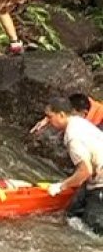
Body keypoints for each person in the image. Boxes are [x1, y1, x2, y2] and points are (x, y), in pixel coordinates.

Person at [45, 97, 103, 235]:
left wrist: (61, 186)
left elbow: (85, 171)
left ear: (62, 115)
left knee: (92, 228)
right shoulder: (78, 121)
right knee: (72, 215)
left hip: (99, 182)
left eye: (50, 117)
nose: (48, 121)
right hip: (95, 177)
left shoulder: (73, 136)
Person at [31, 93, 103, 134]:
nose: (68, 117)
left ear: (84, 113)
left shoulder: (98, 126)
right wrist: (48, 119)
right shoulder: (86, 104)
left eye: (71, 115)